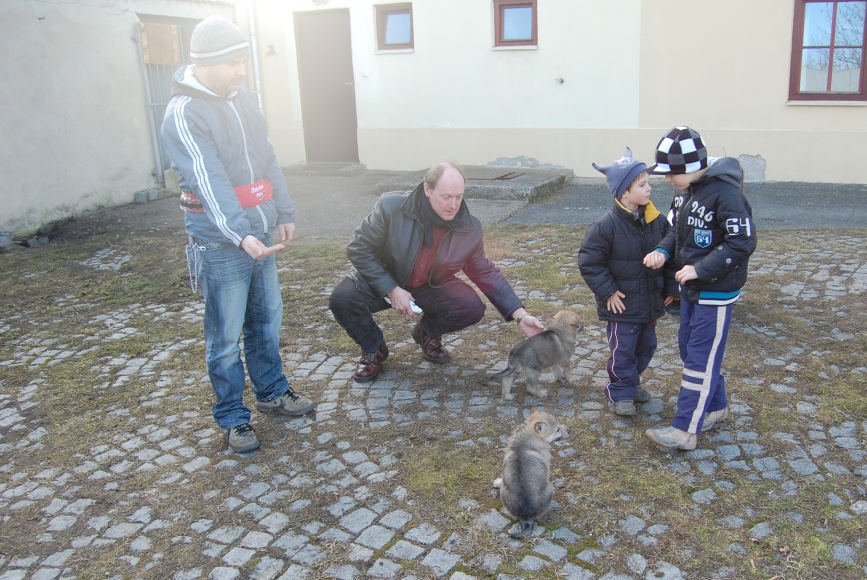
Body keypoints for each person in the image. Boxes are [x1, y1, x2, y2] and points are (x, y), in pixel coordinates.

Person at [160, 16, 314, 455]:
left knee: (267, 319)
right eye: (232, 63)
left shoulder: (243, 97)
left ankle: (271, 392)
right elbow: (209, 183)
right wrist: (242, 233)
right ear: (205, 64)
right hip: (220, 237)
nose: (242, 70)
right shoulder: (185, 112)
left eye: (243, 60)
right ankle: (232, 416)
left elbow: (266, 154)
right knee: (225, 335)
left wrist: (283, 209)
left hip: (260, 228)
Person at [329, 162, 545, 382]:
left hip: (428, 285)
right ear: (427, 189)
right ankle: (373, 349)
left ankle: (427, 333)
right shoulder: (391, 206)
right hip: (385, 279)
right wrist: (392, 288)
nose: (453, 205)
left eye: (459, 197)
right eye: (446, 197)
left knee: (470, 307)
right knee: (342, 299)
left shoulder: (469, 228)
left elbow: (484, 272)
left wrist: (520, 315)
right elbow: (359, 247)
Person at [642, 127, 757, 450]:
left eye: (671, 173)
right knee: (691, 350)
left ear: (693, 167)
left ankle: (685, 430)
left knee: (699, 359)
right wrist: (664, 251)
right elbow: (675, 231)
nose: (666, 179)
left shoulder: (728, 196)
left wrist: (702, 269)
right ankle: (716, 406)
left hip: (715, 292)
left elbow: (742, 242)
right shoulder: (684, 192)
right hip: (690, 288)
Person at [578, 148, 671, 417]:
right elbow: (589, 262)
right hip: (622, 306)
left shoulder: (658, 221)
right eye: (642, 184)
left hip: (650, 302)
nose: (649, 188)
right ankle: (620, 391)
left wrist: (671, 289)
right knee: (624, 350)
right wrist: (608, 291)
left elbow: (671, 255)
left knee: (647, 346)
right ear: (624, 192)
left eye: (648, 182)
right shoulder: (604, 227)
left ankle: (631, 382)